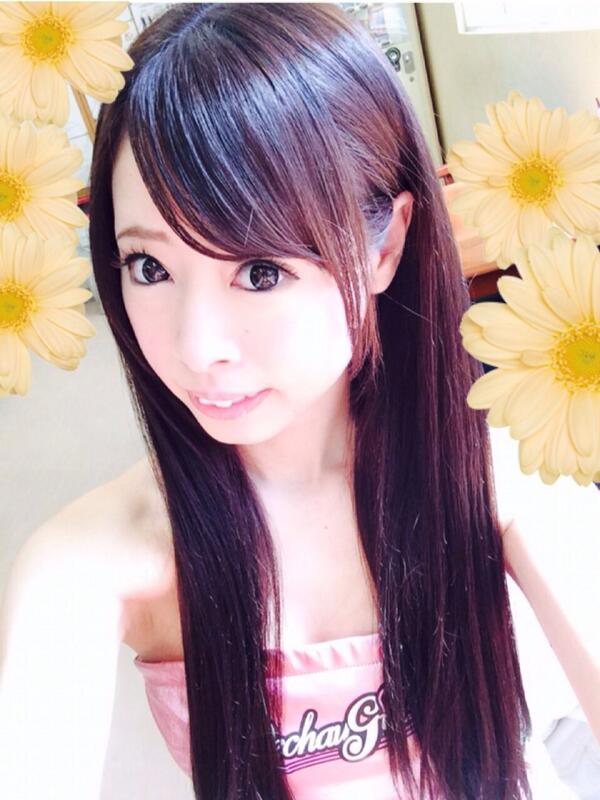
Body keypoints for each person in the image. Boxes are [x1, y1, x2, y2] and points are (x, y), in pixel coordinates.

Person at [2, 4, 597, 799]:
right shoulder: (91, 563)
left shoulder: (495, 485)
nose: (197, 345)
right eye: (150, 267)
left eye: (260, 272)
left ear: (385, 246)